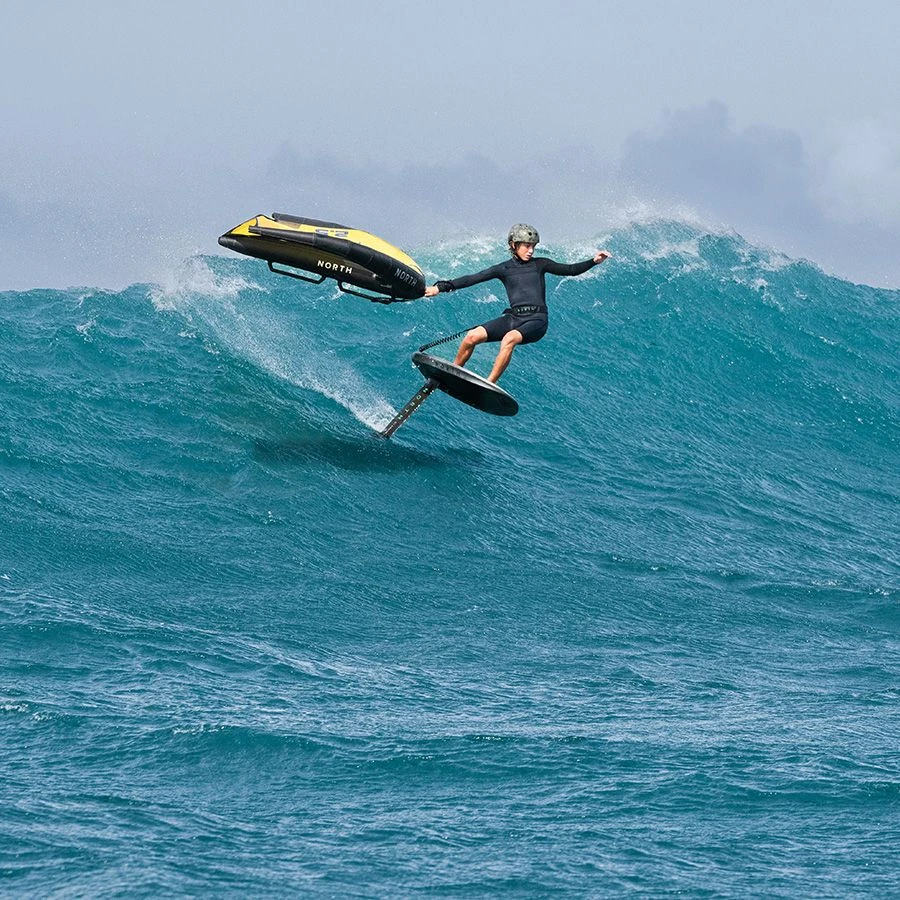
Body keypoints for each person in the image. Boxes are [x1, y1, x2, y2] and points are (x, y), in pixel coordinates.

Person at [424, 224, 611, 382]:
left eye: (533, 246)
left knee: (509, 339)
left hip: (537, 320)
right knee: (472, 336)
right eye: (526, 246)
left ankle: (489, 384)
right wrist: (440, 287)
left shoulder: (540, 264)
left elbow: (570, 269)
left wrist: (593, 261)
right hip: (514, 317)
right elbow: (473, 278)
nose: (531, 251)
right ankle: (453, 373)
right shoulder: (504, 268)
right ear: (514, 245)